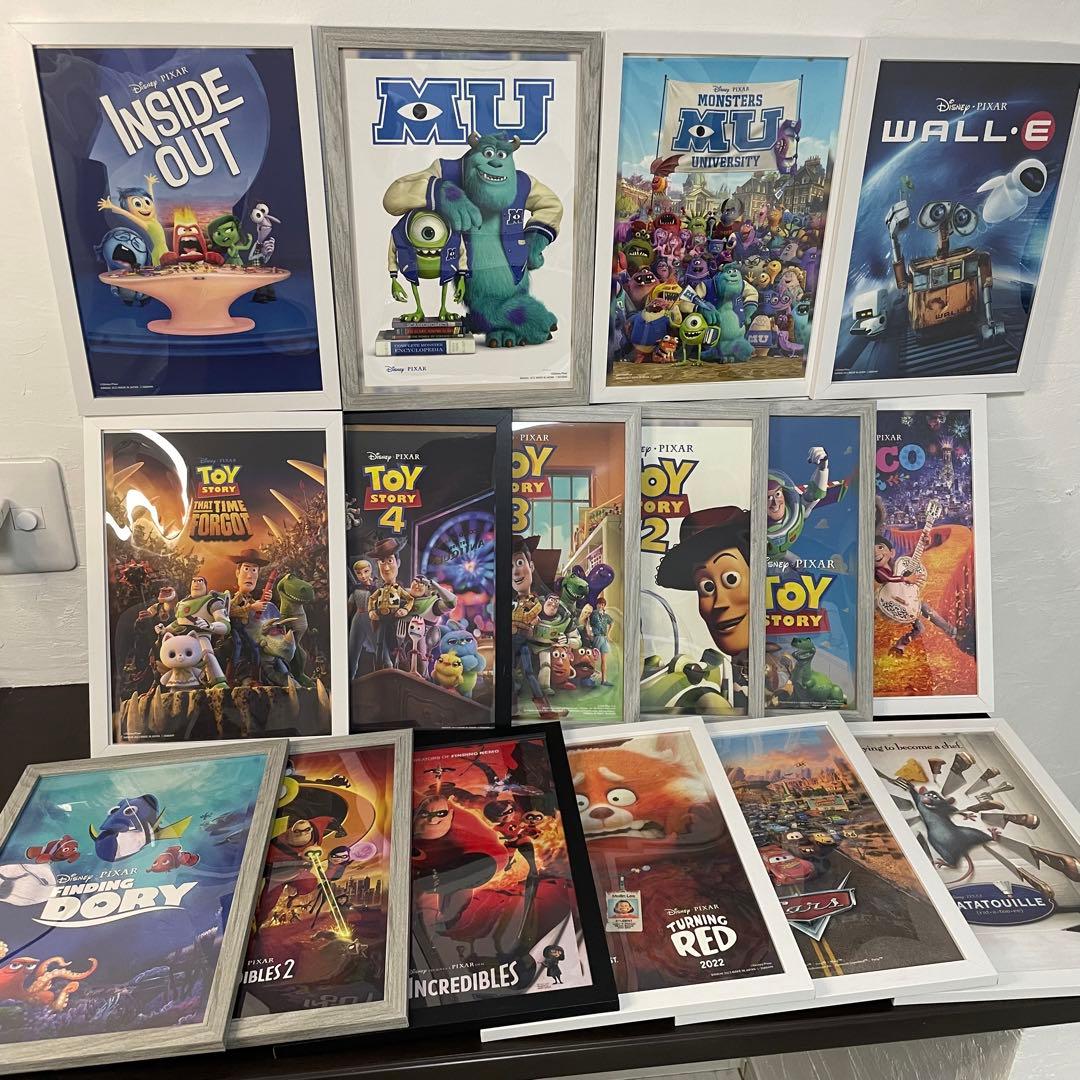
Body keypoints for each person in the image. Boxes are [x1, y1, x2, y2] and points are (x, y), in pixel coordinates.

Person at [873, 535, 958, 655]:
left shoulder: (897, 565)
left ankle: (900, 646)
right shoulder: (879, 571)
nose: (876, 552)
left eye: (880, 547)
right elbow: (888, 578)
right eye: (872, 550)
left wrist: (923, 545)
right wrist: (905, 579)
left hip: (905, 600)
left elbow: (912, 561)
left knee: (921, 625)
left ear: (892, 553)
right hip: (887, 601)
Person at [366, 538, 414, 670]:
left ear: (398, 562)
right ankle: (378, 667)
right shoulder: (380, 590)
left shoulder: (400, 589)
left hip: (396, 622)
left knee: (397, 645)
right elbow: (372, 599)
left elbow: (410, 599)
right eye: (382, 562)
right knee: (379, 644)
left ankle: (401, 667)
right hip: (382, 620)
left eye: (390, 561)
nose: (386, 568)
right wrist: (371, 611)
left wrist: (405, 610)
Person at [348, 559, 375, 678]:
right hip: (358, 618)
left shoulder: (375, 587)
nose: (363, 576)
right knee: (352, 651)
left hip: (371, 618)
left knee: (380, 649)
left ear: (371, 570)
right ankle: (350, 678)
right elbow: (350, 604)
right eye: (359, 573)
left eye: (366, 571)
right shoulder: (355, 588)